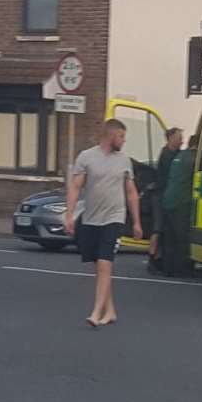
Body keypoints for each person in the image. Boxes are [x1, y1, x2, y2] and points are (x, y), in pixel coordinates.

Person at [64, 118, 143, 327]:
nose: (123, 141)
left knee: (105, 264)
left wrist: (136, 222)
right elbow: (75, 187)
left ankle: (96, 313)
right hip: (91, 218)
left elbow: (131, 192)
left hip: (114, 217)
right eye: (121, 136)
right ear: (110, 135)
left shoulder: (125, 161)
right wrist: (69, 215)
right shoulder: (86, 157)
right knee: (98, 267)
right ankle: (110, 311)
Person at [147, 127, 184, 273]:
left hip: (166, 196)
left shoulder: (174, 153)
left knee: (163, 230)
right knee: (158, 228)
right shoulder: (167, 155)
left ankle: (159, 258)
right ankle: (152, 260)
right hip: (160, 196)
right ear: (170, 138)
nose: (181, 140)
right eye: (179, 137)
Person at [159, 141, 197, 277]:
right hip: (181, 201)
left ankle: (167, 269)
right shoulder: (195, 158)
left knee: (169, 237)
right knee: (181, 238)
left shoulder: (180, 155)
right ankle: (180, 269)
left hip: (168, 200)